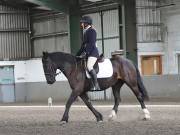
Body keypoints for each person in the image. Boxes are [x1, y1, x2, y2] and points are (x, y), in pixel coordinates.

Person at [76, 16, 101, 91]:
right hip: (88, 53)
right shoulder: (86, 32)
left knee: (89, 66)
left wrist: (86, 52)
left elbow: (92, 44)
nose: (81, 25)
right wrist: (76, 55)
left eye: (82, 23)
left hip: (93, 53)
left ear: (86, 23)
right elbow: (83, 46)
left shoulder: (92, 31)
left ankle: (96, 85)